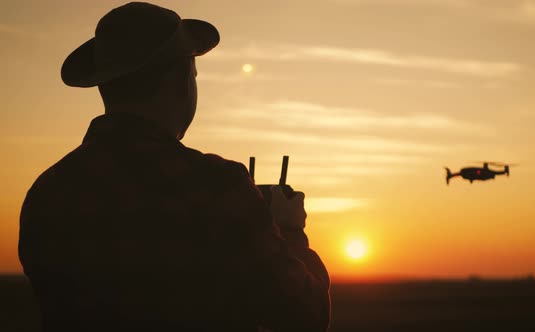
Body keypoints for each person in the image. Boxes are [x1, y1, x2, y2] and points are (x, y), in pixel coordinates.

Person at [18, 2, 330, 331]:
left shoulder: (47, 194)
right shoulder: (217, 186)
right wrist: (289, 229)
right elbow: (305, 315)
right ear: (182, 79)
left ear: (105, 86)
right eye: (193, 74)